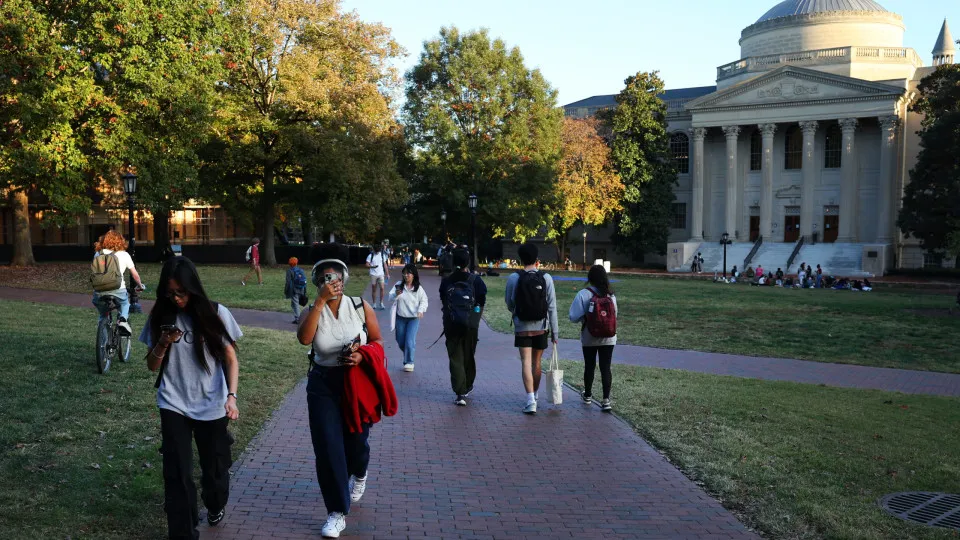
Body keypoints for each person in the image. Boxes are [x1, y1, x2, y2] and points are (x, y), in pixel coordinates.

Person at [141, 256, 241, 539]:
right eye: (169, 293)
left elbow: (231, 358)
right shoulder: (160, 316)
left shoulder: (216, 313)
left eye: (180, 292)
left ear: (192, 288)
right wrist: (163, 341)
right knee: (177, 473)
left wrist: (231, 396)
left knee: (215, 470)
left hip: (212, 403)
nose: (175, 299)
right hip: (173, 402)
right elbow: (151, 365)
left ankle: (215, 503)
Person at [297, 257, 396, 539]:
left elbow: (377, 341)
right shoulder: (311, 310)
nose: (331, 282)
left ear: (343, 280)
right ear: (319, 283)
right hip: (323, 385)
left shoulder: (359, 306)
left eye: (335, 277)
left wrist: (361, 353)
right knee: (328, 447)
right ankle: (337, 512)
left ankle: (360, 471)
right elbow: (304, 340)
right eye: (325, 278)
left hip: (356, 383)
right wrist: (318, 304)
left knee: (356, 444)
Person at [504, 242, 559, 415]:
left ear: (520, 258)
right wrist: (555, 332)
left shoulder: (514, 278)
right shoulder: (546, 278)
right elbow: (552, 306)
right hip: (541, 326)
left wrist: (517, 311)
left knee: (526, 362)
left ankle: (530, 400)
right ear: (537, 258)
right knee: (537, 363)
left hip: (522, 326)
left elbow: (509, 302)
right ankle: (535, 395)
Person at [439, 248, 487, 406]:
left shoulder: (447, 280)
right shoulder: (476, 280)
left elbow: (443, 300)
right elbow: (481, 301)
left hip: (451, 324)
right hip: (470, 324)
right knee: (469, 355)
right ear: (468, 262)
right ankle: (467, 385)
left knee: (455, 357)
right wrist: (475, 315)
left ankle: (459, 392)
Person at [569, 265, 617, 412]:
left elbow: (573, 317)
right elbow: (615, 315)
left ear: (590, 278)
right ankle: (606, 400)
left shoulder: (583, 294)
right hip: (609, 337)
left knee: (589, 366)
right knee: (605, 367)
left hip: (589, 336)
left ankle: (588, 395)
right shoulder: (611, 295)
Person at [93, 230, 144, 336]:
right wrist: (140, 285)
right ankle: (122, 320)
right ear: (121, 241)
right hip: (118, 289)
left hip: (99, 291)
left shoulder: (98, 254)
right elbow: (135, 275)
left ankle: (103, 340)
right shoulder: (124, 255)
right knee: (125, 304)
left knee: (103, 315)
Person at [388, 263, 429, 372]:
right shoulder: (399, 285)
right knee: (400, 341)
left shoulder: (418, 288)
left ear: (414, 275)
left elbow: (424, 300)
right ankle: (408, 352)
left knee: (410, 341)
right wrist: (396, 294)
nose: (406, 275)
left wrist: (421, 310)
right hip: (400, 317)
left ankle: (409, 362)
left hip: (413, 318)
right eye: (404, 273)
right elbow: (390, 297)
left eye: (408, 273)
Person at [284, 257, 308, 324]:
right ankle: (298, 317)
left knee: (295, 304)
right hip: (302, 288)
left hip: (294, 290)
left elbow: (288, 282)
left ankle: (298, 319)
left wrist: (286, 290)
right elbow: (305, 281)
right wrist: (305, 290)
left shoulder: (289, 271)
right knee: (293, 304)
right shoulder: (301, 270)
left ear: (289, 263)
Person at [365, 245, 390, 310]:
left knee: (382, 288)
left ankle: (381, 303)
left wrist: (387, 274)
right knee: (374, 289)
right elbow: (367, 264)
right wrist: (372, 267)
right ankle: (374, 303)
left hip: (381, 274)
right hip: (373, 274)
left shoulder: (382, 255)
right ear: (374, 250)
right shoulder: (370, 256)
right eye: (376, 251)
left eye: (378, 251)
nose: (377, 252)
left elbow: (385, 265)